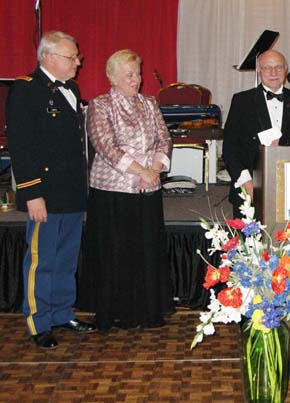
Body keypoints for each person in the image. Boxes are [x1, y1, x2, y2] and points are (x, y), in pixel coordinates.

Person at [6, 31, 96, 349]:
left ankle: (61, 312)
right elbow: (21, 146)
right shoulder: (26, 90)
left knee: (66, 257)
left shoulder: (71, 88)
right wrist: (31, 193)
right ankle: (38, 321)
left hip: (71, 190)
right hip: (44, 192)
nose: (78, 62)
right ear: (49, 57)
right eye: (72, 57)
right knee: (41, 259)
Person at [83, 49, 173, 331]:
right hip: (113, 191)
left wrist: (155, 170)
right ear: (112, 77)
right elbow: (106, 146)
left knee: (146, 250)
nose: (137, 79)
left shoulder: (150, 102)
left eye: (138, 73)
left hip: (148, 188)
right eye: (130, 74)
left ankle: (148, 311)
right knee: (115, 253)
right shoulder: (100, 105)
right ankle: (115, 313)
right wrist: (140, 171)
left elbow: (164, 138)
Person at [222, 49, 290, 218]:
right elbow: (230, 148)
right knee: (250, 243)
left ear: (286, 70)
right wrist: (246, 182)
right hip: (250, 187)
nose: (273, 72)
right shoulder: (242, 100)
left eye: (278, 67)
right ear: (259, 70)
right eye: (267, 67)